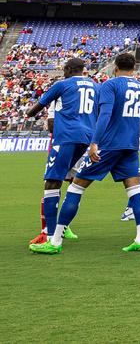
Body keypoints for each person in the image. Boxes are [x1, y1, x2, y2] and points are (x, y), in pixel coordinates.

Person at [31, 52, 140, 254]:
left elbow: (104, 115)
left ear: (115, 67)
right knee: (134, 190)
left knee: (76, 187)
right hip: (130, 146)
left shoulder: (110, 85)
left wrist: (95, 143)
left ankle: (55, 242)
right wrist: (132, 135)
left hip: (108, 145)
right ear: (135, 68)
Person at [25, 57, 95, 246]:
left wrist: (29, 113)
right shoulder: (94, 85)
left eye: (64, 68)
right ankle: (62, 227)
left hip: (66, 137)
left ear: (69, 68)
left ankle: (49, 235)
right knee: (74, 183)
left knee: (52, 182)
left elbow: (35, 109)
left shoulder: (62, 85)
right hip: (87, 138)